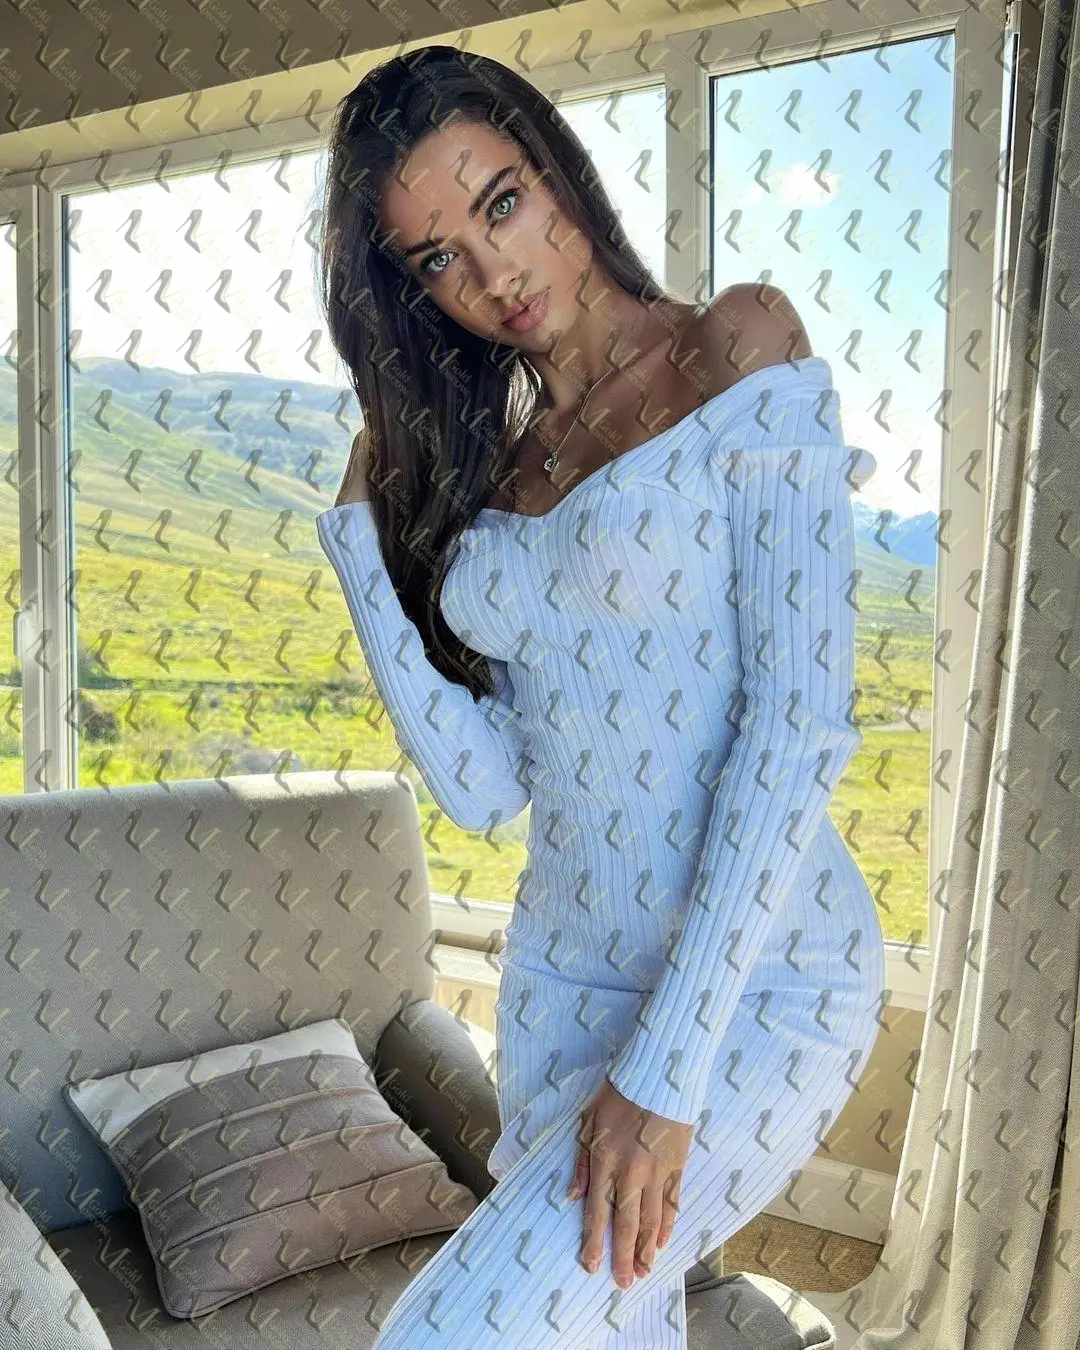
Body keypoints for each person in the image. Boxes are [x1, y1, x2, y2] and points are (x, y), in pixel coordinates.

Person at [314, 44, 886, 1350]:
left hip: (760, 982)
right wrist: (358, 543)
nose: (493, 274)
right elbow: (482, 787)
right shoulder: (498, 477)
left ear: (557, 168)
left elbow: (799, 723)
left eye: (502, 203)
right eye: (439, 257)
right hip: (560, 992)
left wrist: (668, 1067)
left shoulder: (735, 348)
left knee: (445, 1335)